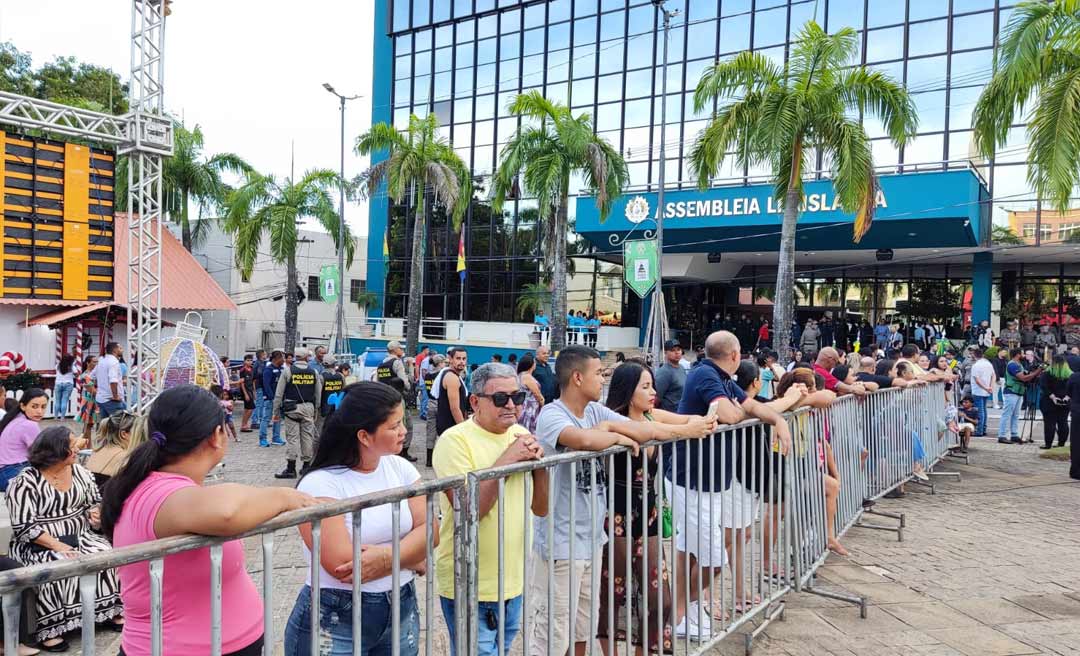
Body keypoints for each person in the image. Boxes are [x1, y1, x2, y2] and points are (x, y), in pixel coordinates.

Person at [102, 384, 316, 656]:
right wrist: (285, 496)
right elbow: (227, 511)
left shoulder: (161, 486)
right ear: (217, 435)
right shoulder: (159, 493)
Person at [529, 346, 713, 656]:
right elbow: (584, 440)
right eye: (598, 373)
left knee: (582, 627)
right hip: (561, 543)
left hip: (590, 539)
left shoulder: (594, 412)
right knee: (554, 631)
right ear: (577, 378)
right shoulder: (552, 414)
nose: (602, 379)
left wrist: (613, 427)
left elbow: (642, 428)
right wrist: (615, 436)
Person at [284, 382, 429, 656]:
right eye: (394, 426)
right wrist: (411, 556)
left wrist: (386, 557)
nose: (404, 431)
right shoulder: (321, 484)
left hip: (401, 606)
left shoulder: (400, 467)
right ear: (364, 436)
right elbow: (343, 565)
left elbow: (431, 529)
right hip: (335, 617)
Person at [669, 331, 792, 637]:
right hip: (691, 478)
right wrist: (739, 410)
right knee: (713, 557)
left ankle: (685, 610)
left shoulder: (722, 379)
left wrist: (778, 420)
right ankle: (683, 609)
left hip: (709, 481)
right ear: (735, 355)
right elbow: (732, 414)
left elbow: (751, 405)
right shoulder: (705, 375)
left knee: (690, 549)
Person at [597, 362, 719, 654]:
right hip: (617, 516)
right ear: (628, 390)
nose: (653, 392)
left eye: (652, 385)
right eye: (645, 386)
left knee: (659, 599)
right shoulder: (614, 418)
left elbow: (686, 419)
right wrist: (687, 429)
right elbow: (654, 431)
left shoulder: (653, 415)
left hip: (648, 516)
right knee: (614, 595)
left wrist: (706, 418)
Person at [433, 364, 549, 656]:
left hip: (512, 582)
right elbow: (468, 511)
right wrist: (509, 459)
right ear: (475, 402)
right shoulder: (454, 441)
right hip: (470, 583)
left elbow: (541, 508)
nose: (511, 405)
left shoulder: (520, 433)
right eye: (500, 398)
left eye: (517, 397)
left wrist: (541, 467)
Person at [7, 427, 124, 649]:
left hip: (80, 534)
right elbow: (24, 526)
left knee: (105, 553)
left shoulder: (80, 472)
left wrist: (95, 513)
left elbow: (93, 502)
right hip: (39, 542)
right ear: (54, 450)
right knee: (55, 565)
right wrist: (57, 545)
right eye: (71, 446)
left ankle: (108, 611)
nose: (77, 448)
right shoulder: (25, 481)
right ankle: (51, 627)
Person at [273, 348, 322, 478]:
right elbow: (318, 393)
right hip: (308, 407)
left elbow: (279, 394)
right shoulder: (314, 372)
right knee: (307, 437)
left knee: (292, 438)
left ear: (295, 357)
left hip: (292, 409)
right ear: (307, 358)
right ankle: (306, 466)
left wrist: (276, 411)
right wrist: (316, 408)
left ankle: (291, 468)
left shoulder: (288, 371)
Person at [376, 341, 416, 462]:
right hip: (398, 398)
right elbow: (406, 384)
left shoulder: (381, 364)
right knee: (406, 425)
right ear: (394, 350)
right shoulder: (397, 362)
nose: (402, 350)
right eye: (400, 348)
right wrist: (411, 367)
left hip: (384, 398)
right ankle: (403, 452)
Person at [0, 389, 47, 491]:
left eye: (43, 407)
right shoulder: (29, 425)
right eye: (34, 406)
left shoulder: (16, 419)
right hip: (11, 473)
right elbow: (42, 454)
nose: (39, 411)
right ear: (23, 406)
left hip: (4, 473)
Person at [87, 410, 137, 487]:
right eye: (136, 432)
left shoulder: (98, 450)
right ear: (124, 434)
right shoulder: (124, 457)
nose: (139, 436)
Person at [1001, 348, 1039, 444]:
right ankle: (1001, 435)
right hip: (1011, 391)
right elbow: (1023, 378)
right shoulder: (1012, 365)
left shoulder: (1019, 364)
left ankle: (1014, 435)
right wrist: (1037, 371)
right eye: (1023, 353)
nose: (1024, 355)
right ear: (1018, 354)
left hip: (1018, 391)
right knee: (1007, 414)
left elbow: (1027, 375)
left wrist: (1036, 372)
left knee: (1015, 415)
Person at [434, 347, 470, 437]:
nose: (461, 361)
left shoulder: (453, 375)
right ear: (450, 359)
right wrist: (463, 430)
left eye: (464, 359)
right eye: (458, 358)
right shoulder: (452, 377)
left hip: (449, 427)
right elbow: (455, 409)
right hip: (450, 428)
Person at [1039, 355, 1072, 450]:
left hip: (1049, 401)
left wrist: (1052, 396)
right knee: (1063, 422)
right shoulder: (1070, 375)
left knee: (1049, 423)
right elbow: (1073, 388)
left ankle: (1048, 444)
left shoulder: (1047, 373)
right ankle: (1061, 443)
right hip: (1064, 402)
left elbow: (1043, 386)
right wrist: (1067, 397)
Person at [422, 354, 446, 467]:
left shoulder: (427, 375)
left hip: (430, 404)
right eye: (444, 362)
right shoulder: (442, 375)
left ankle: (429, 460)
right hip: (441, 405)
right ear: (440, 363)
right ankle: (442, 458)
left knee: (430, 432)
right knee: (444, 432)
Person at [260, 351, 286, 448]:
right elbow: (266, 385)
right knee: (266, 418)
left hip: (280, 399)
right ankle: (262, 438)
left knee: (277, 418)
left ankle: (276, 438)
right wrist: (272, 397)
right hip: (271, 399)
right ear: (276, 358)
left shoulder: (281, 369)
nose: (283, 360)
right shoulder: (268, 370)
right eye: (282, 358)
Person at [95, 342, 126, 419]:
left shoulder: (101, 360)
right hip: (111, 400)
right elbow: (113, 381)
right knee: (120, 423)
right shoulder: (113, 362)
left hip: (101, 399)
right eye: (120, 348)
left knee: (105, 424)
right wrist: (115, 396)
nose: (122, 350)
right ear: (114, 350)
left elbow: (90, 376)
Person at [654, 339, 687, 412]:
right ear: (666, 353)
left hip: (681, 412)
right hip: (669, 414)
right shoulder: (664, 372)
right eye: (672, 350)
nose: (677, 352)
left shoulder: (681, 368)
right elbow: (656, 398)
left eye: (678, 349)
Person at [317, 355, 345, 441]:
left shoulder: (321, 377)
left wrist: (316, 408)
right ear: (334, 364)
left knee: (319, 433)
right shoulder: (341, 376)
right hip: (337, 408)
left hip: (323, 409)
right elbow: (343, 391)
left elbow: (318, 394)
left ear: (323, 364)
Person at [970, 348, 996, 437]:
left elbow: (977, 380)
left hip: (978, 390)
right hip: (986, 390)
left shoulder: (976, 365)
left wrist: (986, 388)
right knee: (984, 410)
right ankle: (983, 429)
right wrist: (990, 387)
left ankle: (979, 431)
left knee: (980, 411)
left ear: (974, 355)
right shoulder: (988, 364)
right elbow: (994, 375)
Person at [517, 354, 544, 434]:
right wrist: (542, 402)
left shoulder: (520, 375)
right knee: (529, 428)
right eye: (534, 362)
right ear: (531, 364)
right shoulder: (527, 377)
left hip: (523, 405)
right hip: (530, 408)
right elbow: (537, 394)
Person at [1066, 366, 1080, 479]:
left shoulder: (1074, 376)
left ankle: (1075, 470)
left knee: (1076, 441)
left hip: (1077, 411)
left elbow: (1068, 392)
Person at [53, 354, 76, 420]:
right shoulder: (72, 366)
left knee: (57, 401)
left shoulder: (58, 365)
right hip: (68, 384)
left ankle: (56, 417)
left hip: (58, 383)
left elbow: (56, 371)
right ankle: (62, 417)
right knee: (64, 400)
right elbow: (76, 373)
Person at [238, 354, 256, 432]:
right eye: (248, 360)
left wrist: (254, 392)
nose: (249, 362)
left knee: (247, 409)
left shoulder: (252, 369)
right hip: (245, 390)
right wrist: (245, 394)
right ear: (244, 361)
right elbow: (242, 383)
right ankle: (244, 424)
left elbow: (253, 381)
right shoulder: (242, 370)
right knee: (251, 408)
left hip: (251, 390)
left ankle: (244, 424)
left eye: (251, 360)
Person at [251, 349, 268, 430]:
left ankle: (260, 420)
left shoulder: (261, 363)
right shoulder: (259, 364)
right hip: (259, 386)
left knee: (261, 404)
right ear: (262, 355)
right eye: (265, 354)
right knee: (258, 404)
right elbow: (259, 374)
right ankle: (255, 421)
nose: (266, 355)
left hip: (260, 385)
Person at [417, 347, 434, 421]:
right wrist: (427, 381)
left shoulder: (428, 360)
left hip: (426, 382)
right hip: (425, 383)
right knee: (425, 398)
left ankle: (423, 413)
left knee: (425, 398)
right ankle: (423, 414)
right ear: (432, 355)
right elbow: (424, 371)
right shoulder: (426, 361)